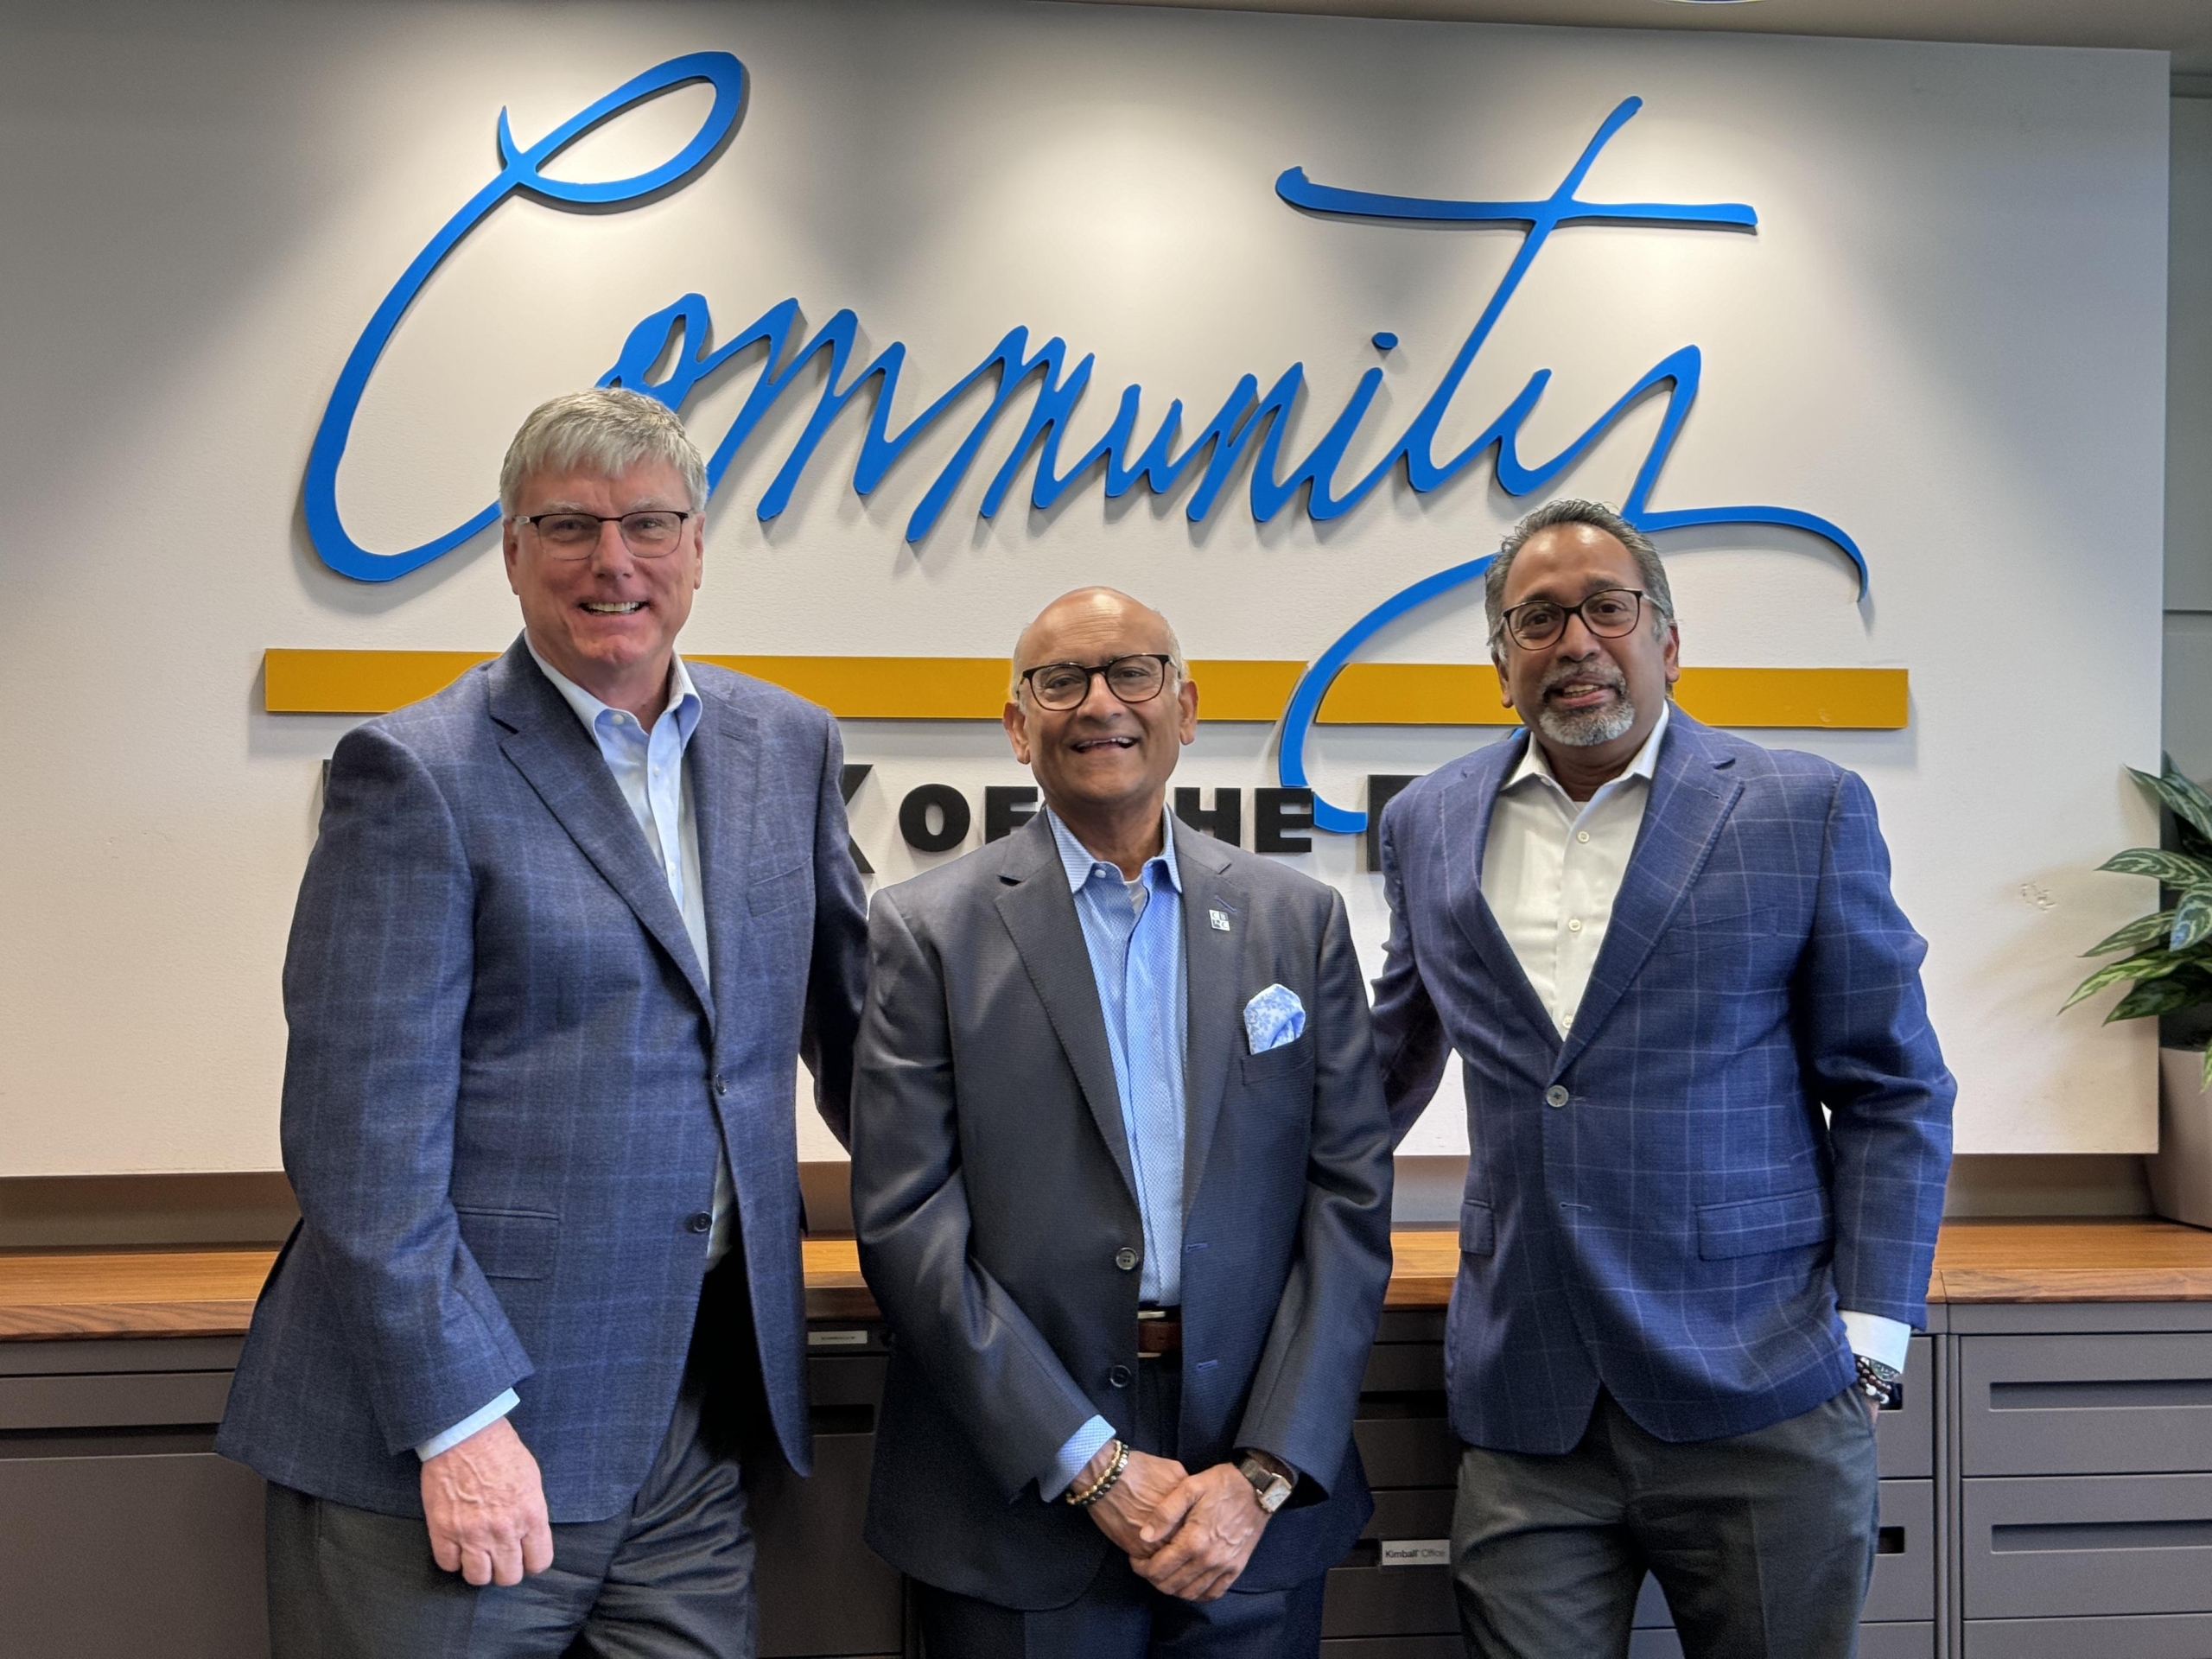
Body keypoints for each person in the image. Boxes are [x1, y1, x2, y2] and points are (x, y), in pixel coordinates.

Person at [217, 387, 868, 1658]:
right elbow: (359, 1142)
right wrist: (458, 1423)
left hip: (688, 1421)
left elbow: (863, 1044)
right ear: (512, 551)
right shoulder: (416, 772)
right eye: (567, 525)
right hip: (456, 1442)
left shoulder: (784, 744)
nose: (612, 561)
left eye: (647, 524)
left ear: (696, 544)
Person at [1370, 499, 1955, 1659]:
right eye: (1536, 618)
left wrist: (1872, 1335)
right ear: (1501, 664)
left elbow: (1891, 1087)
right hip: (1527, 1396)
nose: (1575, 640)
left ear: (1668, 642)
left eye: (1607, 607)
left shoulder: (1803, 806)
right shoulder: (1427, 820)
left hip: (1763, 1383)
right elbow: (1385, 1066)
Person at [848, 588, 1395, 1657]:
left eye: (1132, 673)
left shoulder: (1299, 921)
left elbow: (1348, 1203)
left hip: (1246, 1492)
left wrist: (1266, 1473)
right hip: (1015, 1492)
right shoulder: (926, 932)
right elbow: (908, 1226)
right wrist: (1087, 1463)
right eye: (1061, 680)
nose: (1101, 703)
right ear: (1017, 725)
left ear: (1184, 709)